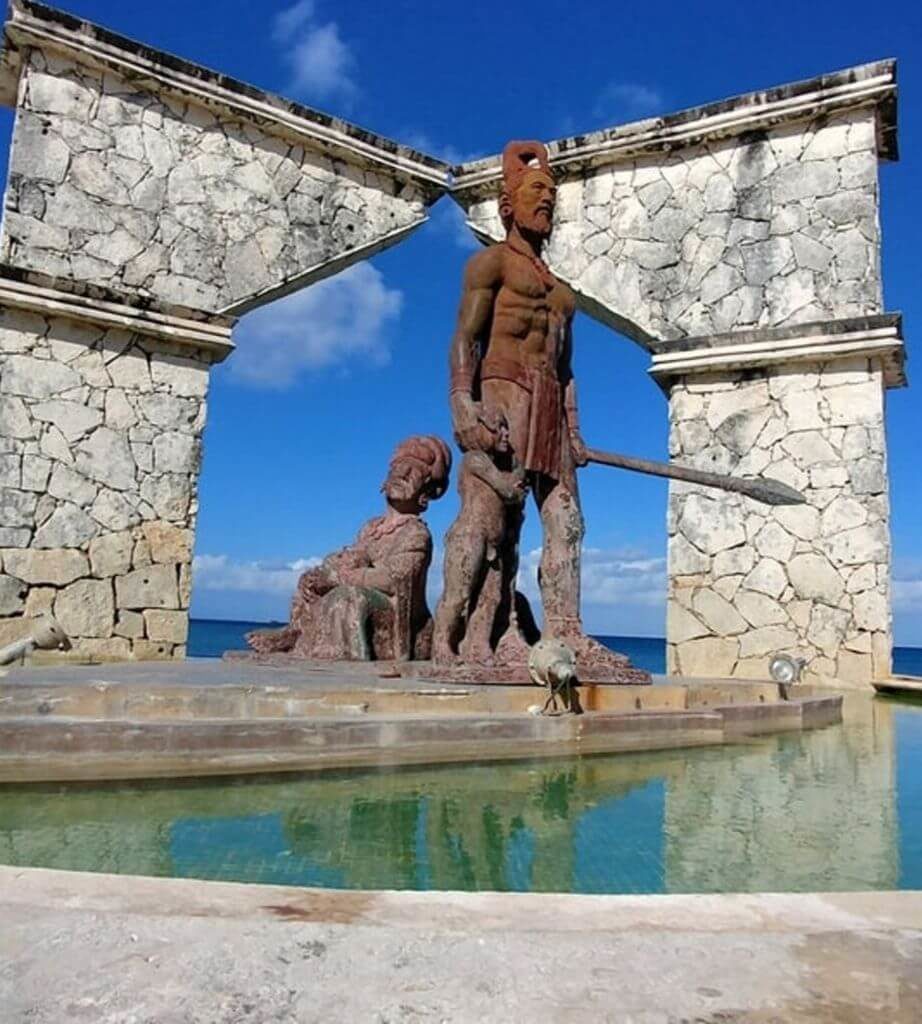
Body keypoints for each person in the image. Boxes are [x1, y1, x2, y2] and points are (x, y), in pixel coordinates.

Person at [445, 140, 632, 676]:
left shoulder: (564, 295)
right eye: (535, 192)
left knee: (567, 520)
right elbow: (465, 337)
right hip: (503, 390)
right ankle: (478, 633)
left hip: (549, 400)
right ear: (508, 205)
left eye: (551, 195)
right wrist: (462, 401)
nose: (546, 203)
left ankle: (565, 630)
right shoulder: (490, 264)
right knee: (495, 522)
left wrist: (574, 431)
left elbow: (566, 369)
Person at [247, 435, 451, 661]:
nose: (400, 475)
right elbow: (354, 557)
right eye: (397, 469)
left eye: (412, 473)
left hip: (397, 619)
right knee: (310, 589)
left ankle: (344, 654)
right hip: (365, 596)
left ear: (424, 493)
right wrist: (323, 575)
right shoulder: (371, 528)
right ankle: (296, 635)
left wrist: (339, 577)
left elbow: (395, 579)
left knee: (347, 597)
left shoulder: (415, 533)